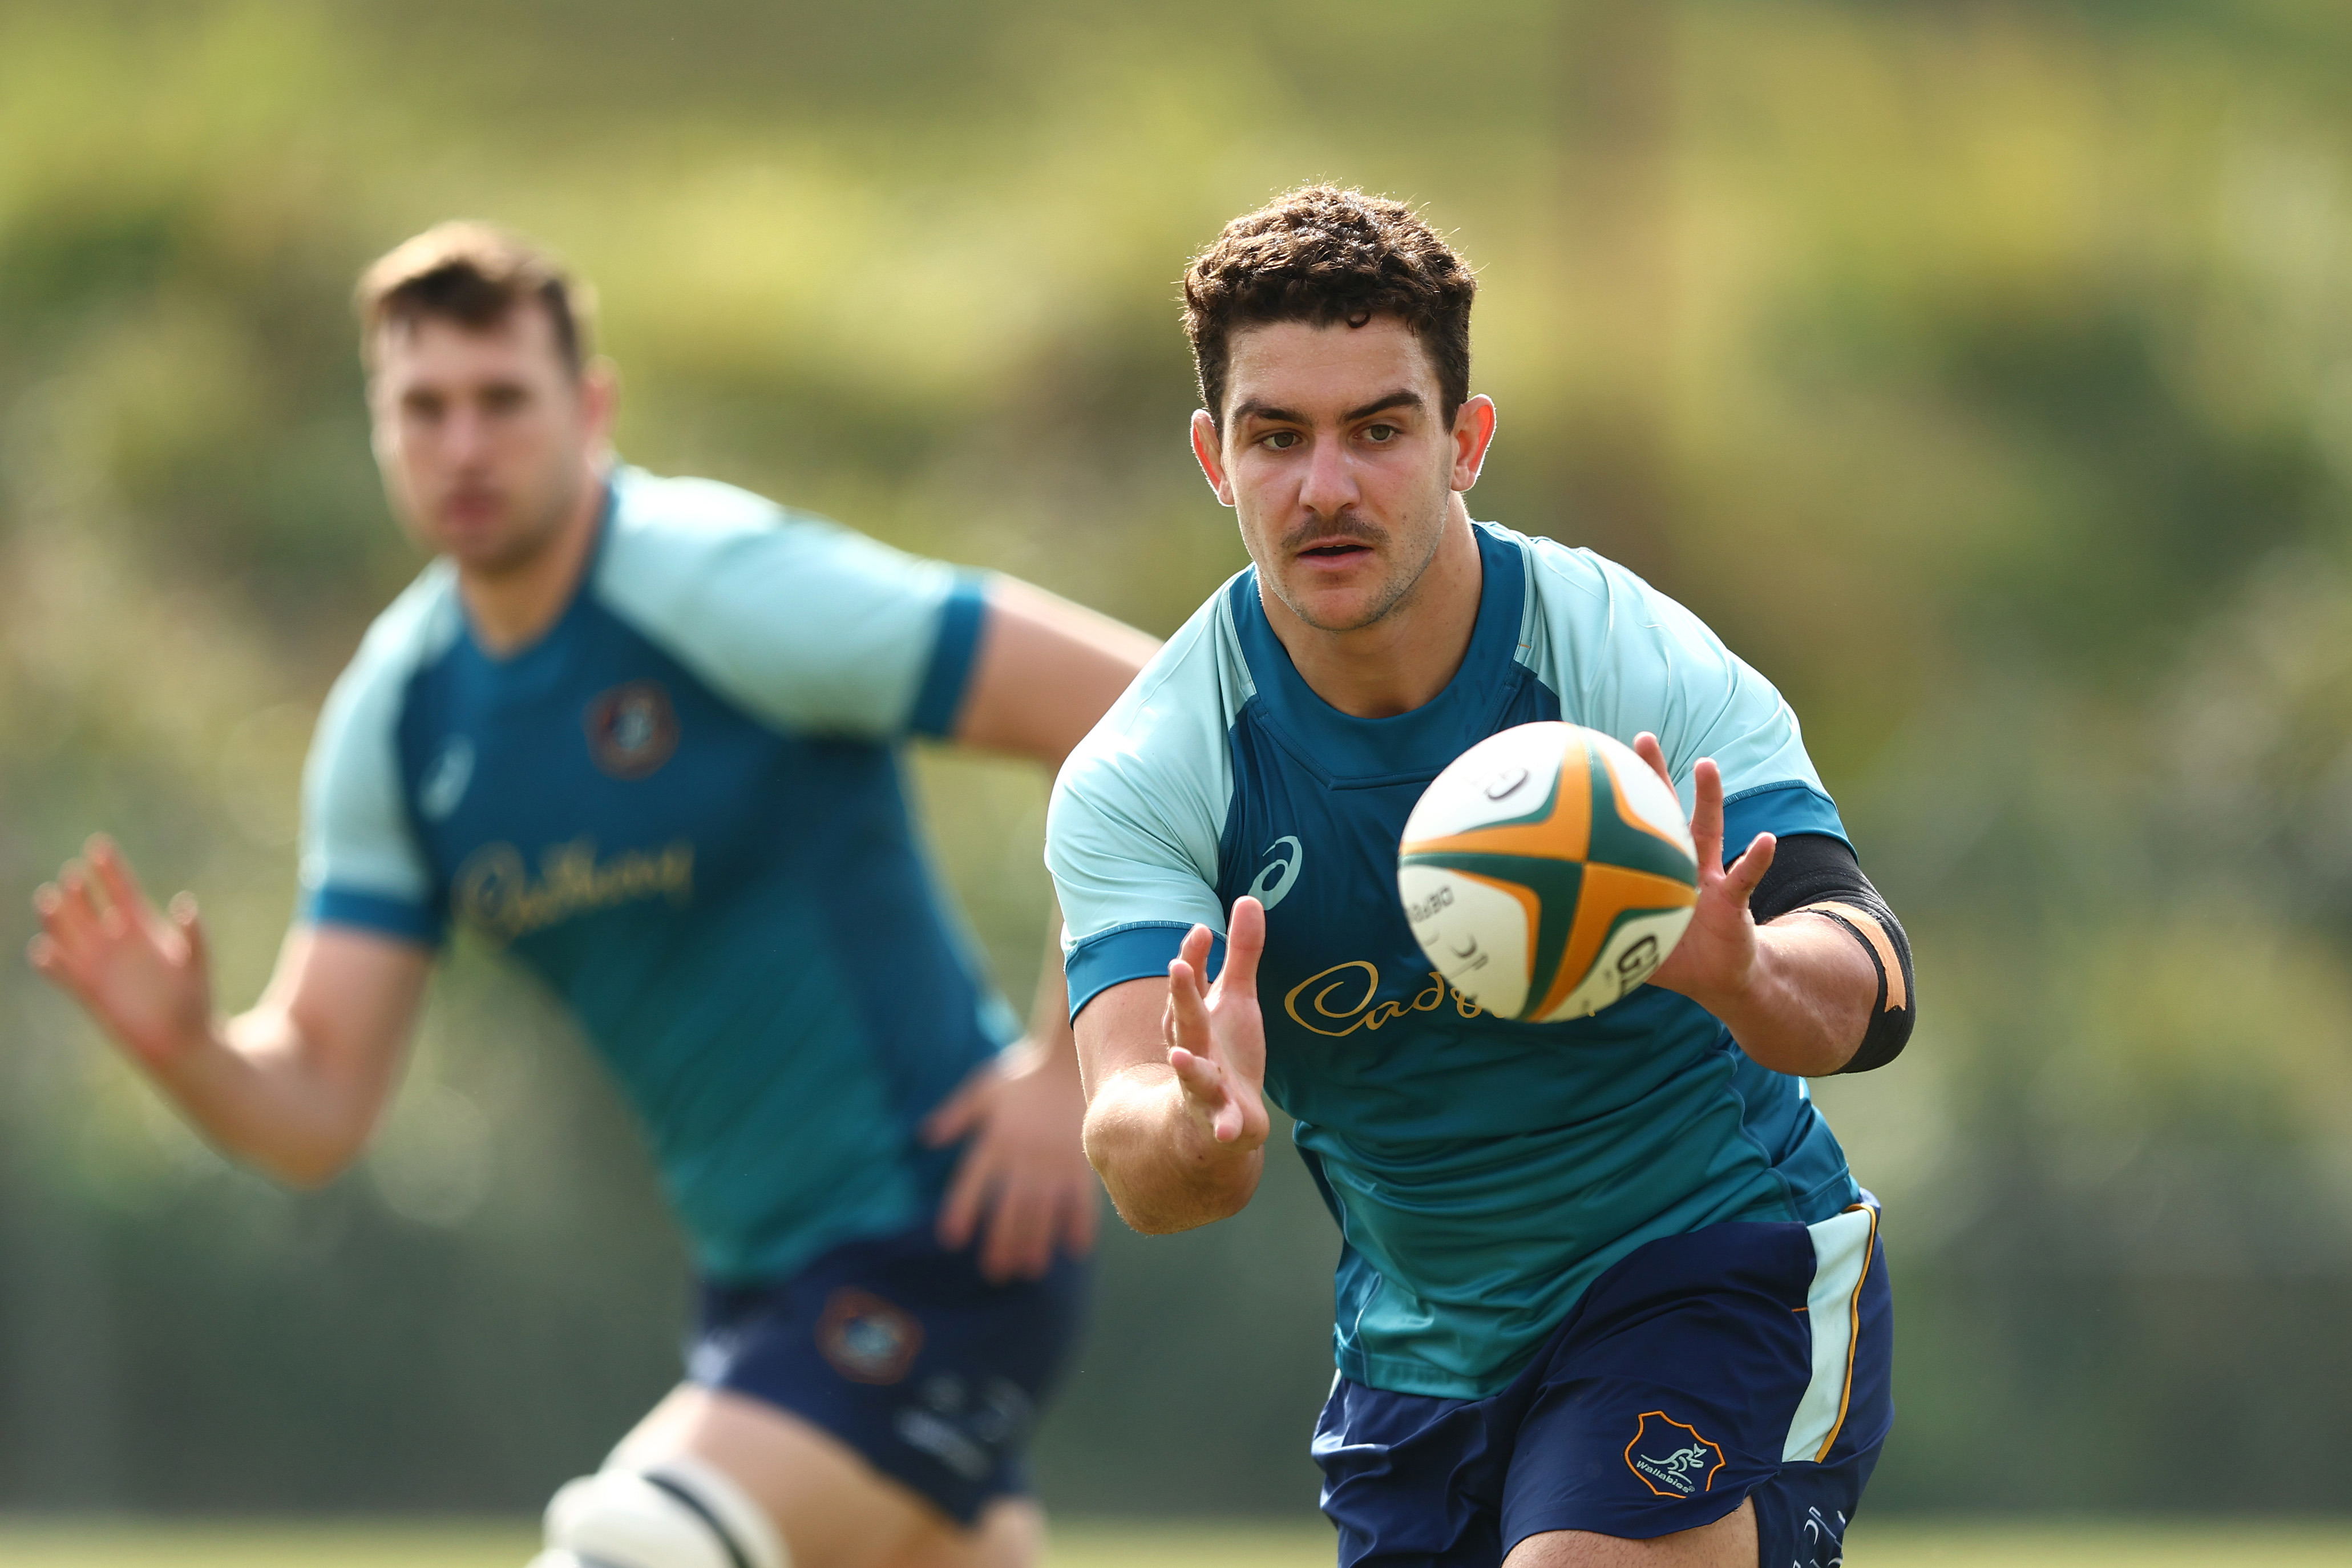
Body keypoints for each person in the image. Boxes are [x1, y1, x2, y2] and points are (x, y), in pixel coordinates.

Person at [27, 223, 1157, 1568]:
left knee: (630, 1550)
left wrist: (1068, 1065)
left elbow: (1134, 708)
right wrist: (189, 1053)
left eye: (502, 401)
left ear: (593, 411)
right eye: (422, 409)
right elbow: (318, 1101)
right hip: (760, 1291)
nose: (463, 445)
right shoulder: (399, 722)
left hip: (945, 1229)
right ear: (378, 435)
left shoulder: (716, 580)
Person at [1047, 187, 1915, 1568]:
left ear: (1467, 442)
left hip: (1710, 1268)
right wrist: (1199, 1132)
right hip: (1421, 1359)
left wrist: (1742, 972)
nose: (1326, 486)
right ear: (1216, 458)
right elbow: (1136, 1141)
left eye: (1379, 430)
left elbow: (1873, 985)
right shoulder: (1153, 770)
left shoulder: (1627, 667)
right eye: (1279, 437)